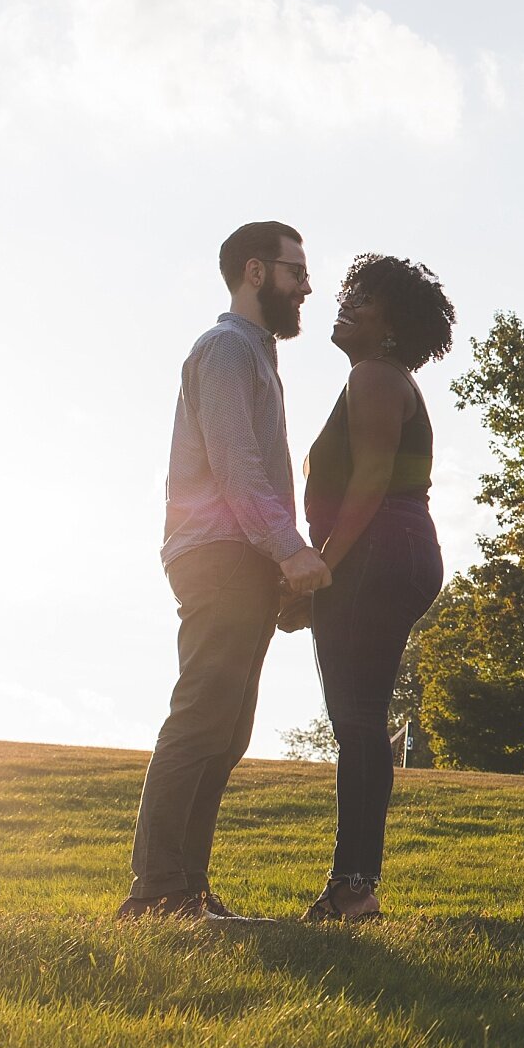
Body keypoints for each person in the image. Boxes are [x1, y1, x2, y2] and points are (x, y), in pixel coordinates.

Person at [119, 222, 333, 920]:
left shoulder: (258, 358)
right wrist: (291, 551)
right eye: (295, 270)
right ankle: (155, 890)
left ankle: (186, 888)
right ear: (254, 270)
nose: (306, 285)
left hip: (242, 558)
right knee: (202, 714)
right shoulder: (224, 350)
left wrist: (277, 565)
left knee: (229, 726)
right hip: (217, 554)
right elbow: (236, 466)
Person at [284, 253, 454, 921]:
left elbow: (373, 474)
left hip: (380, 547)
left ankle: (353, 889)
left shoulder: (377, 375)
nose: (345, 301)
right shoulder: (382, 376)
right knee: (363, 721)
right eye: (349, 290)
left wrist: (320, 565)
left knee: (356, 723)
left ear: (393, 325)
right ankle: (356, 885)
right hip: (399, 549)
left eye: (366, 296)